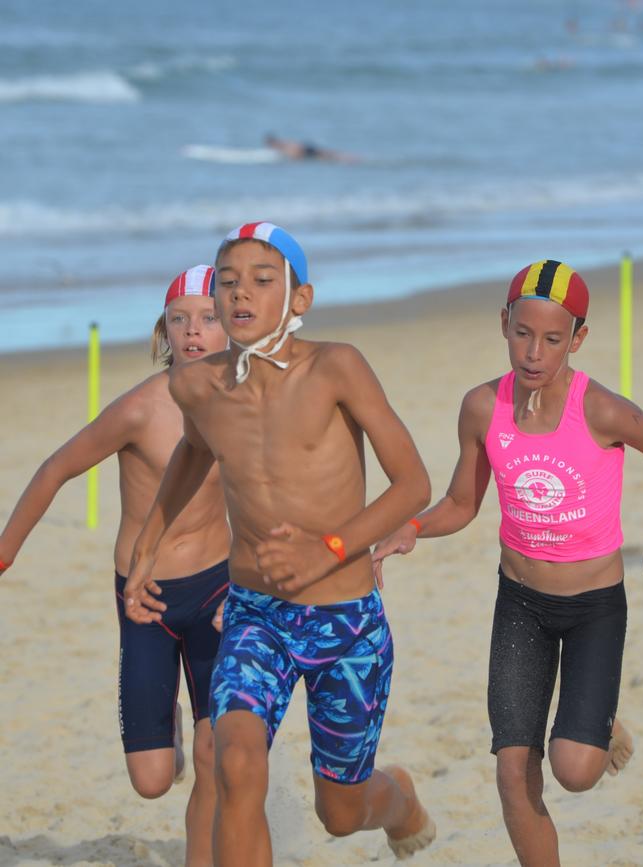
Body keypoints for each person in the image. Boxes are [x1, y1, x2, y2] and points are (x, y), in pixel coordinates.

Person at [124, 222, 437, 866]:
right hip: (255, 615)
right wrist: (145, 552)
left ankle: (398, 799)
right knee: (234, 764)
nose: (241, 294)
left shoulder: (336, 367)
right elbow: (192, 451)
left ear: (299, 299)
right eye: (228, 283)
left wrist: (329, 548)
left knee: (340, 813)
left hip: (344, 620)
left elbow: (413, 484)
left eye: (262, 281)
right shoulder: (199, 386)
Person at [373, 259, 643, 867]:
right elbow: (463, 503)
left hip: (594, 608)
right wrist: (412, 528)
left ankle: (596, 724)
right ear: (503, 324)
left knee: (576, 770)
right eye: (523, 333)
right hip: (520, 603)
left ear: (577, 339)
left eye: (553, 339)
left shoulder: (600, 409)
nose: (534, 352)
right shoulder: (481, 407)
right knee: (512, 768)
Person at [0, 265, 231, 867]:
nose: (193, 332)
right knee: (153, 780)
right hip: (145, 597)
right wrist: (5, 552)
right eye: (179, 320)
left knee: (216, 756)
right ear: (164, 332)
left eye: (208, 318)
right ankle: (170, 729)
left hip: (219, 590)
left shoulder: (251, 407)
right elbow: (55, 469)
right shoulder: (140, 410)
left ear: (233, 326)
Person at [263, 133, 359, 163]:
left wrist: (296, 158)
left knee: (332, 157)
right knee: (332, 155)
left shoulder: (282, 146)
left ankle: (352, 159)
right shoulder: (283, 144)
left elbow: (296, 151)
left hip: (307, 151)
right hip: (308, 149)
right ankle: (352, 158)